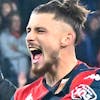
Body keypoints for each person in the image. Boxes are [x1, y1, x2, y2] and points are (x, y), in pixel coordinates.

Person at [14, 0, 100, 100]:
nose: (28, 37)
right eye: (29, 31)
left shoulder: (94, 80)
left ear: (66, 39)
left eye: (40, 31)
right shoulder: (21, 95)